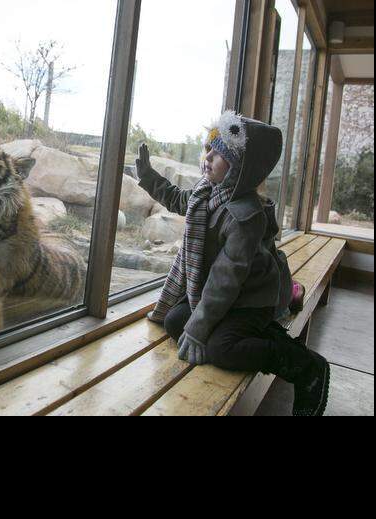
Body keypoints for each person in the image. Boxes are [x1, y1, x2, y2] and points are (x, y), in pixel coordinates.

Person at [136, 110, 329, 416]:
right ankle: (254, 332)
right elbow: (177, 198)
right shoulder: (208, 192)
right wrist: (148, 176)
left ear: (241, 167)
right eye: (208, 148)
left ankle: (305, 367)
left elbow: (224, 281)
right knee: (175, 321)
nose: (208, 157)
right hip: (225, 296)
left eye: (219, 153)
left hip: (250, 299)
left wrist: (201, 328)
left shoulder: (244, 215)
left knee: (219, 348)